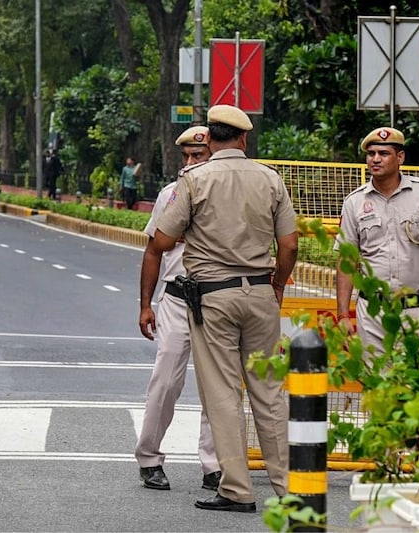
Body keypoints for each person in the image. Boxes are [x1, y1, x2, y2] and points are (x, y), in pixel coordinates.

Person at [152, 105, 298, 513]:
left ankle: (236, 489)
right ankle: (289, 490)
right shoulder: (270, 178)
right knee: (269, 393)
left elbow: (162, 240)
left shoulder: (196, 180)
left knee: (222, 394)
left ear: (210, 140)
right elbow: (289, 245)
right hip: (261, 294)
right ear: (244, 139)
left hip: (213, 298)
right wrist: (278, 285)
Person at [135, 126, 219, 492]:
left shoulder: (225, 196)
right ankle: (149, 457)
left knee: (217, 388)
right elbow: (153, 251)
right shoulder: (169, 195)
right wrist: (145, 306)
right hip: (175, 299)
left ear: (214, 154)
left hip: (217, 301)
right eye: (185, 156)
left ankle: (214, 466)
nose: (189, 163)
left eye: (197, 156)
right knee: (165, 382)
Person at [336, 127, 419, 352]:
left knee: (415, 383)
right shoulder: (354, 202)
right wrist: (342, 315)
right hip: (372, 313)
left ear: (400, 157)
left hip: (416, 313)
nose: (375, 159)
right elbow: (347, 259)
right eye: (371, 154)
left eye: (384, 153)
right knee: (375, 385)